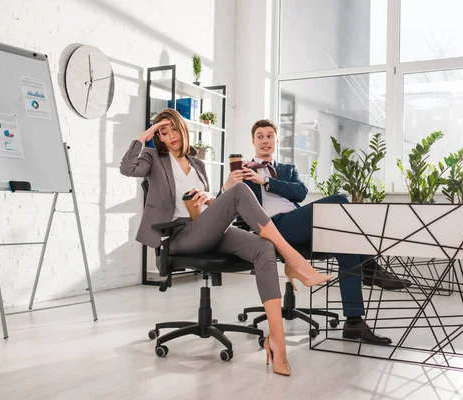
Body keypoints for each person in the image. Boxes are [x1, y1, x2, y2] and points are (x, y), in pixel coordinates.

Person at [119, 109, 335, 376]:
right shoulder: (153, 157)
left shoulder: (198, 164)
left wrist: (209, 197)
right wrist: (147, 135)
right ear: (158, 136)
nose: (170, 136)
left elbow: (208, 205)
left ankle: (277, 342)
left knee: (262, 247)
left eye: (174, 129)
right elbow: (127, 168)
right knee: (239, 189)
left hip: (204, 226)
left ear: (183, 130)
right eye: (163, 132)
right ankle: (294, 260)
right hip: (179, 235)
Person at [222, 119, 412, 346]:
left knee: (347, 249)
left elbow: (300, 193)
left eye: (269, 135)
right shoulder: (241, 171)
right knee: (340, 200)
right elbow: (221, 206)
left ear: (276, 140)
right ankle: (372, 268)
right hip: (273, 229)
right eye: (260, 136)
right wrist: (227, 187)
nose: (265, 140)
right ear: (253, 141)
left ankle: (354, 324)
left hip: (299, 226)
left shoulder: (287, 169)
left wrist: (267, 181)